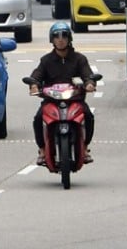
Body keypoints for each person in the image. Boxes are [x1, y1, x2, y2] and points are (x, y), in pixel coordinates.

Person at [29, 21, 96, 165]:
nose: (60, 39)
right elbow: (36, 75)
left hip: (75, 100)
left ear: (69, 38)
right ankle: (41, 150)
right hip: (51, 101)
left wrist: (90, 83)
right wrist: (34, 84)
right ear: (51, 39)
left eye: (64, 36)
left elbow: (87, 75)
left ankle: (84, 148)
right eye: (56, 36)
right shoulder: (46, 60)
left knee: (88, 116)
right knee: (38, 118)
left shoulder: (79, 59)